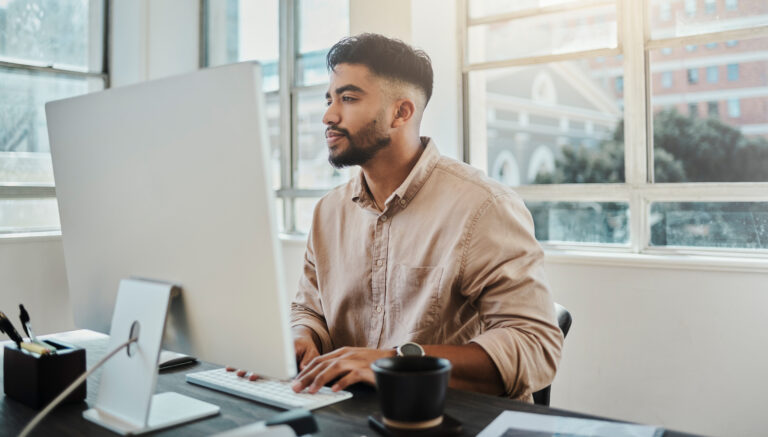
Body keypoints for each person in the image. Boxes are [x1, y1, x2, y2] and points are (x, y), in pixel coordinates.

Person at [288, 33, 563, 401]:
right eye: (329, 99)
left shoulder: (484, 207)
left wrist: (393, 363)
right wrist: (300, 338)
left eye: (348, 98)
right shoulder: (328, 212)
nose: (328, 116)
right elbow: (309, 309)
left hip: (451, 420)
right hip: (351, 414)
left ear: (401, 113)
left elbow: (534, 347)